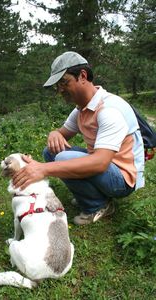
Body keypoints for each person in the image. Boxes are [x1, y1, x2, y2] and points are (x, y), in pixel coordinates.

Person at [13, 51, 145, 225]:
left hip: (124, 178)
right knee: (52, 151)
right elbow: (62, 133)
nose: (60, 90)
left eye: (64, 82)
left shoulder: (108, 110)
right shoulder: (81, 109)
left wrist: (43, 169)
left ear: (82, 76)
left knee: (61, 157)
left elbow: (100, 163)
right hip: (108, 168)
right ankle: (94, 195)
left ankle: (98, 205)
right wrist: (55, 133)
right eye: (57, 86)